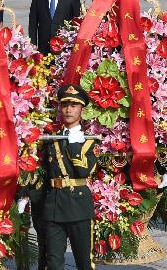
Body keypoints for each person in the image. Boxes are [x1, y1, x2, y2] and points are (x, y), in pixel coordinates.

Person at [42, 84, 97, 270]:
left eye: (74, 105)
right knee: (53, 263)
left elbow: (83, 171)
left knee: (84, 262)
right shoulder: (52, 138)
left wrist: (74, 143)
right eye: (65, 105)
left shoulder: (88, 140)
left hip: (78, 206)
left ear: (82, 109)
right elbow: (43, 171)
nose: (68, 109)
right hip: (54, 206)